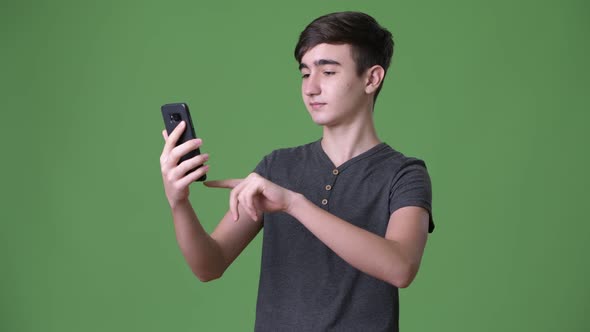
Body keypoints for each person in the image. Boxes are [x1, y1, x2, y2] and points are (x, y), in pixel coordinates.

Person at [159, 11, 435, 332]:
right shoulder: (277, 167)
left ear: (371, 78)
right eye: (305, 74)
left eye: (328, 71)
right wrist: (179, 203)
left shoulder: (404, 174)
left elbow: (400, 267)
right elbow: (209, 264)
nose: (311, 88)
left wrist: (294, 204)